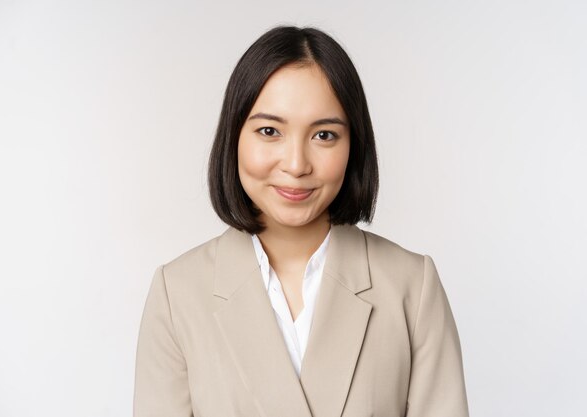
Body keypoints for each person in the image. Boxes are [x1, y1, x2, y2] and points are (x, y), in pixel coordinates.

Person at [133, 25, 469, 417]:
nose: (296, 164)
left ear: (353, 145)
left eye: (324, 135)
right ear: (234, 136)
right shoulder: (178, 294)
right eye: (269, 131)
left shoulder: (412, 287)